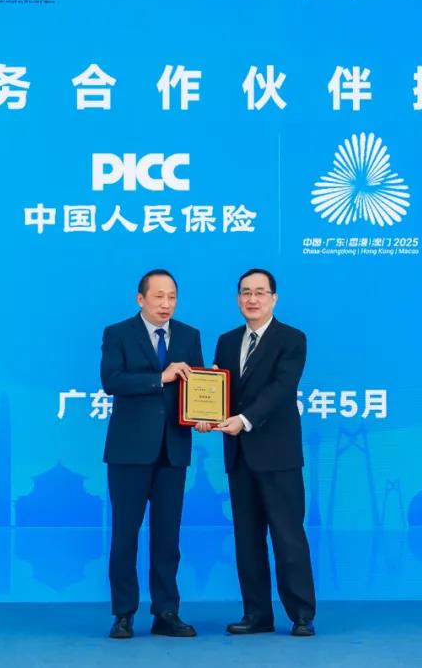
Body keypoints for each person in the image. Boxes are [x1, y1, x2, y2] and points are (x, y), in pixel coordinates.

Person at [199, 268, 316, 637]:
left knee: (287, 536)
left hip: (278, 455)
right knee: (247, 539)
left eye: (260, 292)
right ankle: (257, 614)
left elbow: (281, 389)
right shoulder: (226, 341)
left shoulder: (292, 339)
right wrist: (206, 414)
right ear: (238, 299)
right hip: (239, 455)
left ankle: (301, 614)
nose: (252, 299)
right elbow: (220, 390)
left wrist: (245, 419)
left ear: (274, 298)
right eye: (246, 292)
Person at [100, 269, 204, 639]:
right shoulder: (118, 333)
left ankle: (166, 612)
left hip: (173, 450)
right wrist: (161, 377)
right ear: (140, 298)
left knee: (167, 537)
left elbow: (197, 387)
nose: (166, 304)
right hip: (129, 452)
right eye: (159, 296)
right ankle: (123, 614)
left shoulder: (189, 335)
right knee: (125, 536)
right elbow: (112, 381)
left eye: (172, 297)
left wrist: (204, 413)